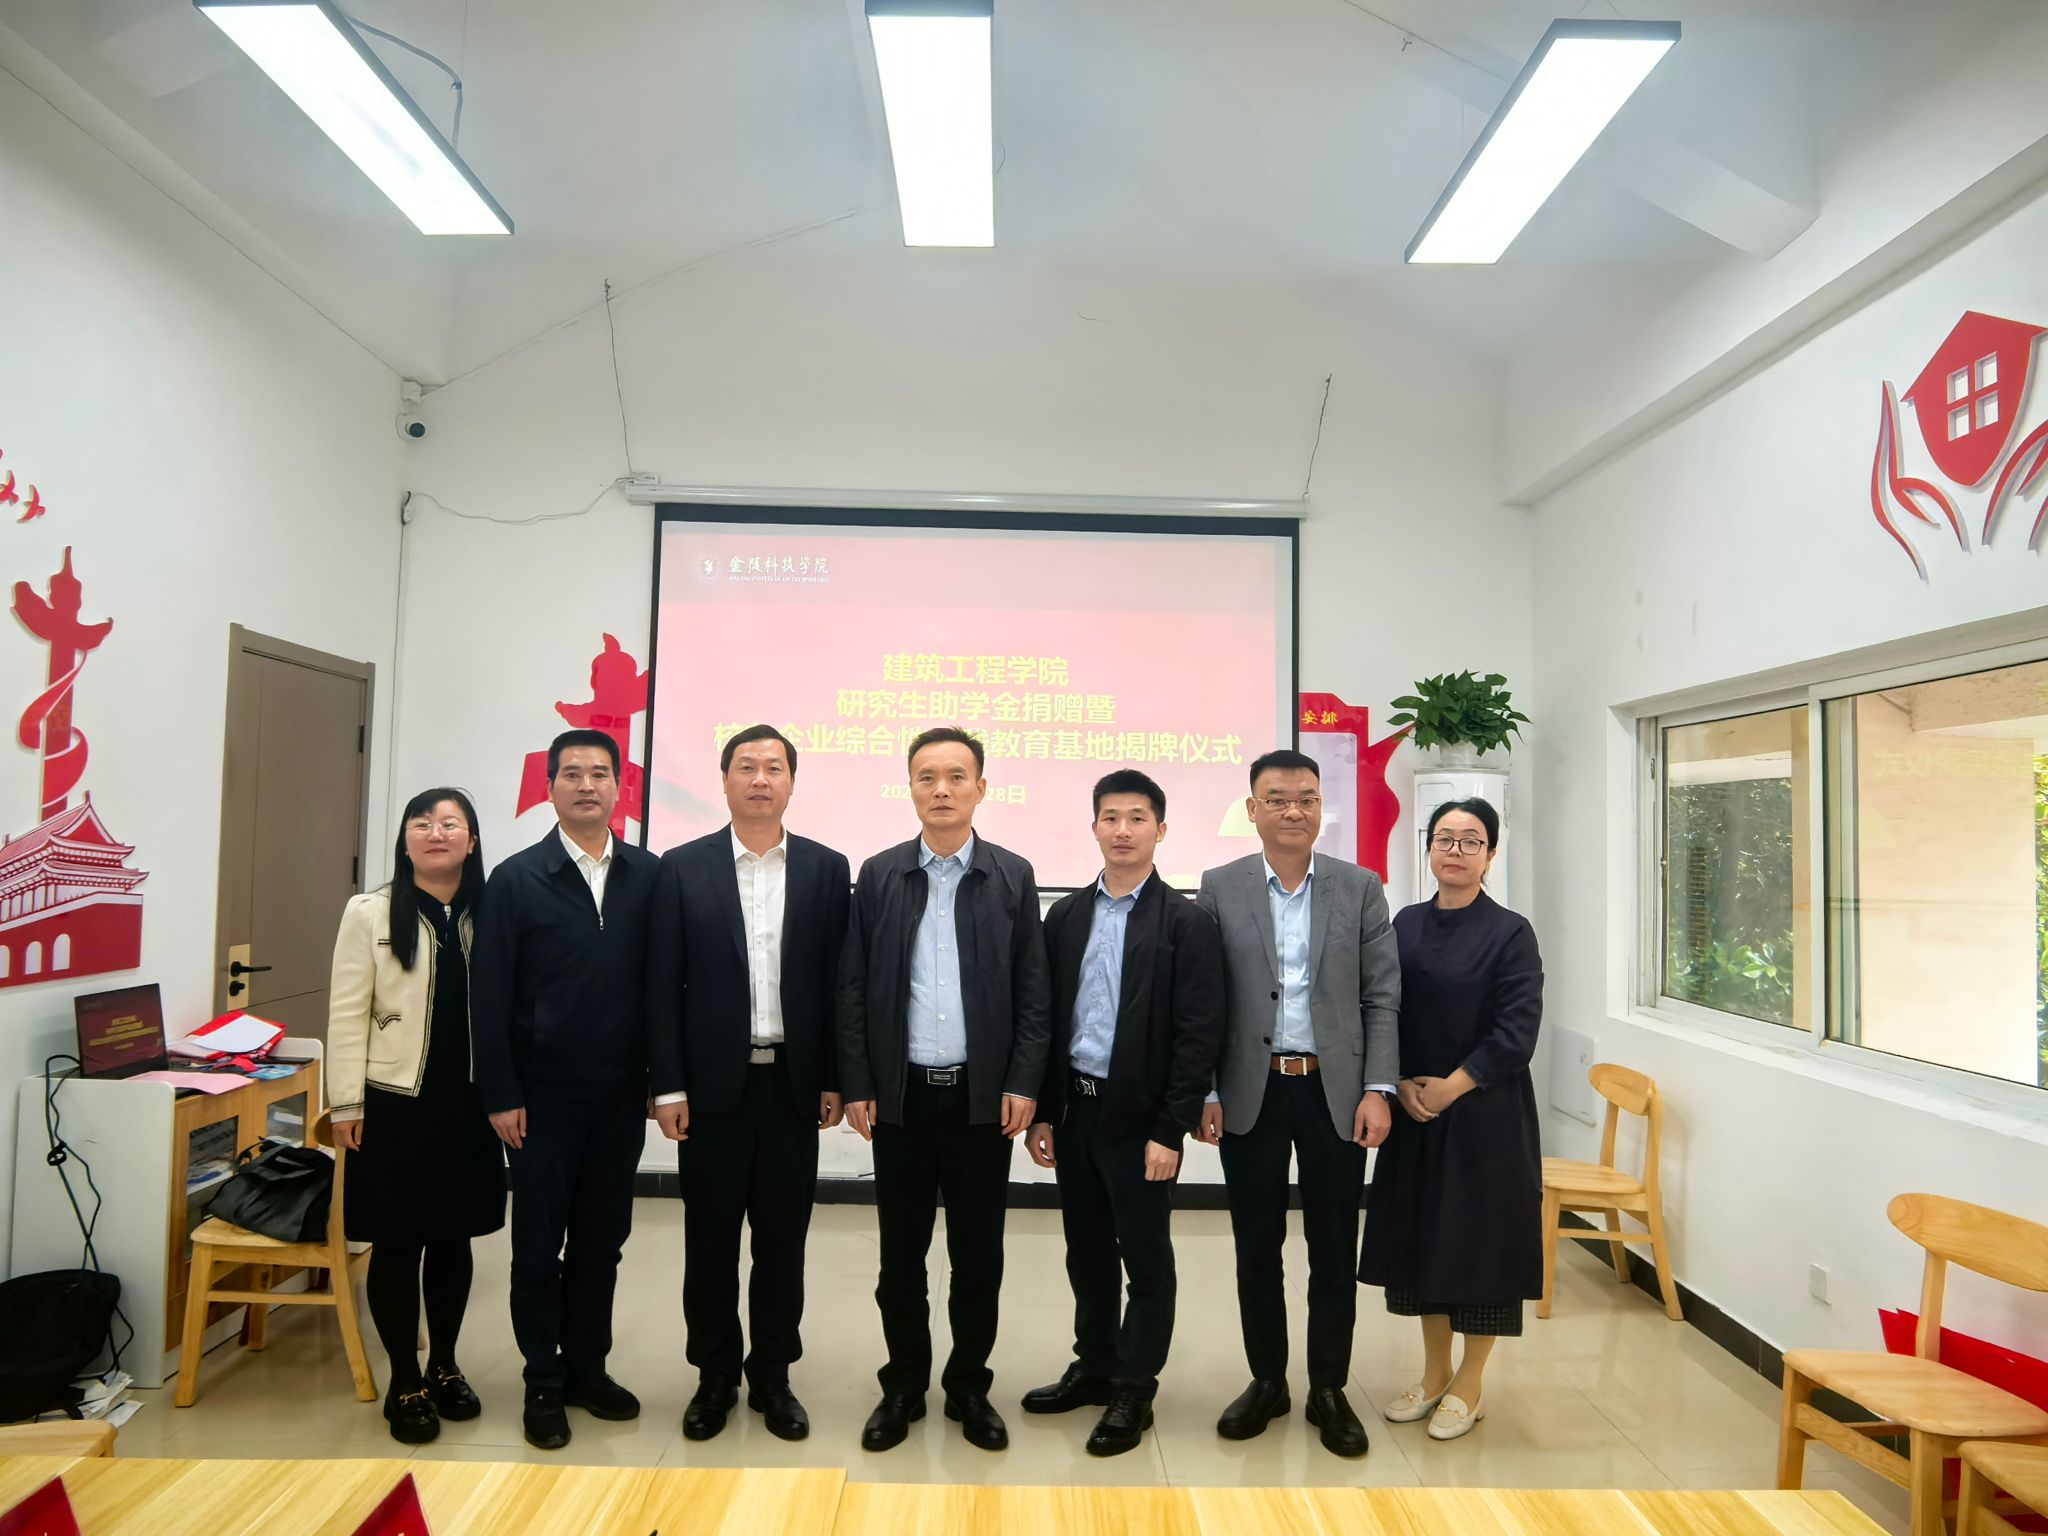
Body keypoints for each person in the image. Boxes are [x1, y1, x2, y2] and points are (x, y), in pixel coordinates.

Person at [837, 726, 1052, 1454]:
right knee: (900, 1259)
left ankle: (968, 1386)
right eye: (926, 776)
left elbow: (1034, 991)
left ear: (981, 788)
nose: (941, 789)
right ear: (910, 787)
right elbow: (853, 987)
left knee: (977, 1257)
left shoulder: (1012, 875)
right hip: (900, 1100)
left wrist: (1023, 1080)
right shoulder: (880, 875)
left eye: (957, 776)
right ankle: (902, 1385)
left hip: (979, 1103)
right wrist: (858, 1081)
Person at [645, 724, 851, 1444]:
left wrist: (833, 1077)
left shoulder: (826, 869)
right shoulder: (682, 868)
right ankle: (713, 1376)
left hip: (792, 1088)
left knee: (782, 1243)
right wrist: (668, 1087)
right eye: (746, 766)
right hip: (710, 1094)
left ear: (792, 781)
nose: (760, 778)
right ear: (724, 779)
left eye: (774, 767)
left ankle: (773, 1376)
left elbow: (837, 984)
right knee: (709, 1243)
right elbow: (662, 985)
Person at [1197, 747, 1400, 1458]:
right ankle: (1267, 1382)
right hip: (1249, 1090)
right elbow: (1205, 1000)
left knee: (1333, 1247)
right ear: (1252, 809)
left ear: (1321, 808)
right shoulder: (1219, 887)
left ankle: (1328, 1388)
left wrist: (1378, 1088)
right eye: (1277, 799)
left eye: (1306, 798)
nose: (1293, 810)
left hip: (1333, 1091)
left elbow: (1381, 997)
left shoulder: (1360, 887)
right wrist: (1208, 1089)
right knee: (1256, 1247)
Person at [1022, 769, 1224, 1457]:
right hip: (1075, 1112)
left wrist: (1171, 1128)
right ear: (1094, 828)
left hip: (1141, 1121)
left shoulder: (1186, 924)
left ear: (1160, 830)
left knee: (1145, 1257)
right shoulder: (1065, 917)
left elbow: (1199, 1034)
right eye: (1110, 817)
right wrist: (1044, 1112)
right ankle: (1096, 1365)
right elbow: (1046, 1019)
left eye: (1138, 818)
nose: (1123, 830)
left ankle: (1135, 1386)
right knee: (1086, 1252)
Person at [471, 728, 657, 1452]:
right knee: (537, 1248)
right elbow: (490, 996)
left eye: (599, 774)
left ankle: (587, 1369)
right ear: (550, 788)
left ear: (620, 788)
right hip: (539, 1101)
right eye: (572, 774)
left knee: (602, 1244)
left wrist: (659, 1082)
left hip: (619, 1098)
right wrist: (500, 1092)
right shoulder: (517, 879)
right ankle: (542, 1381)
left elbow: (663, 987)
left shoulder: (648, 876)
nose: (586, 785)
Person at [1360, 797, 1543, 1442]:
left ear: (1490, 854)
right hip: (1414, 1110)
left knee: (1479, 1249)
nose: (1456, 851)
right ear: (1429, 849)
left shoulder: (1511, 932)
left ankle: (1471, 1382)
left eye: (1471, 840)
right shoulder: (1405, 923)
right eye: (1444, 838)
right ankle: (1435, 1372)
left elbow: (1517, 1030)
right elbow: (1384, 1007)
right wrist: (1402, 1081)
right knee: (1422, 1246)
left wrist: (1452, 1088)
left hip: (1486, 1117)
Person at [327, 787, 503, 1445]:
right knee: (398, 1243)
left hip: (470, 1104)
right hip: (393, 1104)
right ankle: (404, 1377)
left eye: (451, 823)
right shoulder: (370, 912)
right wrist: (346, 1101)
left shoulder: (493, 911)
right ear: (405, 842)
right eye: (421, 824)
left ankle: (445, 1365)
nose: (436, 833)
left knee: (454, 1239)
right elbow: (348, 1012)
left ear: (471, 841)